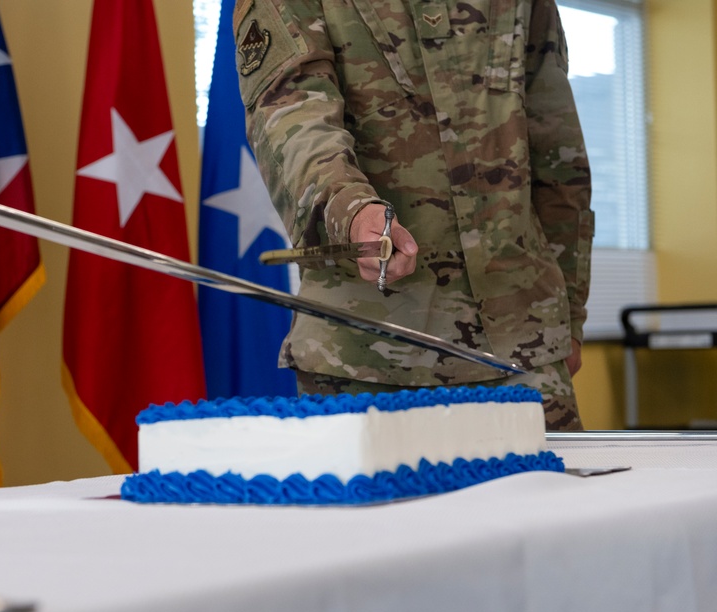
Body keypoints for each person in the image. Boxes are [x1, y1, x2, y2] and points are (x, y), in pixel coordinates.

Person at [233, 0, 593, 430]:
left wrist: (571, 313)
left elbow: (559, 152)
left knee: (552, 499)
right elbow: (293, 123)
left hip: (527, 347)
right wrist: (351, 208)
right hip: (367, 357)